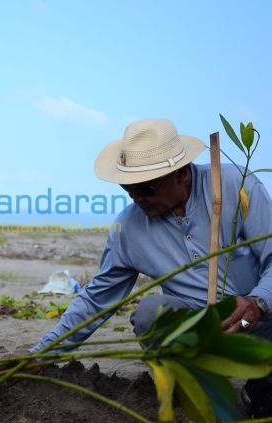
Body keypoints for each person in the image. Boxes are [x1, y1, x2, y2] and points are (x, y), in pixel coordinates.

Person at [28, 118, 272, 418]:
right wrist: (40, 355)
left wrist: (258, 301)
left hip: (263, 318)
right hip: (200, 332)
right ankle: (194, 385)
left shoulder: (236, 184)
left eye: (147, 187)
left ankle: (259, 390)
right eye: (129, 188)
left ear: (182, 173)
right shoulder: (128, 227)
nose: (138, 198)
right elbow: (96, 299)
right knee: (149, 313)